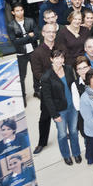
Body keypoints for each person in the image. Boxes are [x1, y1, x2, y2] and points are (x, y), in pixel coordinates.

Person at [40, 49, 81, 165]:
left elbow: (74, 86)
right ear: (51, 59)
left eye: (61, 57)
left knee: (73, 131)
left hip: (72, 107)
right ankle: (66, 155)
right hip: (59, 111)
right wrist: (54, 114)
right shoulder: (46, 77)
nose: (59, 60)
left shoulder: (68, 69)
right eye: (56, 58)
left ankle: (76, 153)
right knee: (62, 134)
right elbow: (47, 99)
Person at [30, 24, 58, 154]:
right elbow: (37, 73)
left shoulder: (60, 48)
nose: (51, 34)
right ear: (43, 33)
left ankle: (65, 132)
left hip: (62, 86)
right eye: (48, 32)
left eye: (53, 32)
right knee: (45, 116)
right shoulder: (37, 53)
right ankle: (42, 142)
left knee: (64, 111)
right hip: (47, 89)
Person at [7, 3, 38, 102]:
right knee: (22, 75)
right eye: (17, 11)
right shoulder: (11, 25)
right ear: (13, 12)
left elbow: (37, 35)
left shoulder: (30, 21)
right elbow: (15, 42)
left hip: (33, 51)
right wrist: (29, 37)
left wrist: (22, 39)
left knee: (36, 72)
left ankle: (37, 91)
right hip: (21, 53)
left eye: (21, 10)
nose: (20, 12)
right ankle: (23, 96)